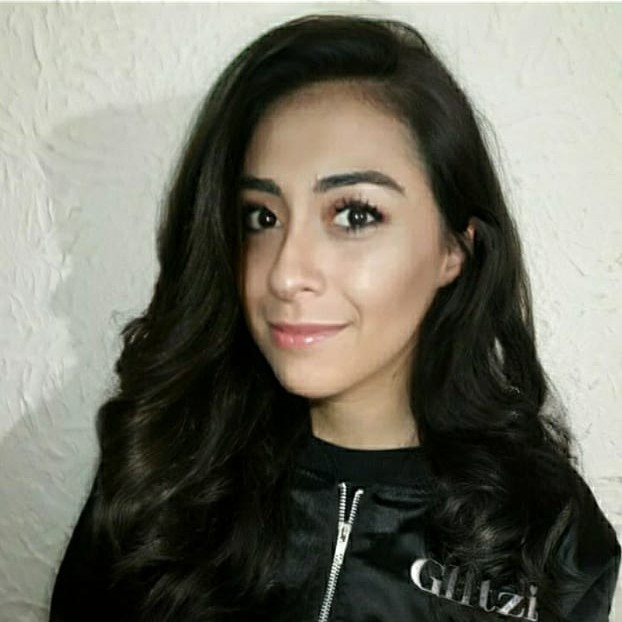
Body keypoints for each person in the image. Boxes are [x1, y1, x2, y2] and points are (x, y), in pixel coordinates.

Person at [49, 13, 620, 622]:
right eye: (262, 217)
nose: (285, 272)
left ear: (455, 249)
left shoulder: (548, 534)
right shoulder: (164, 469)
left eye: (354, 215)